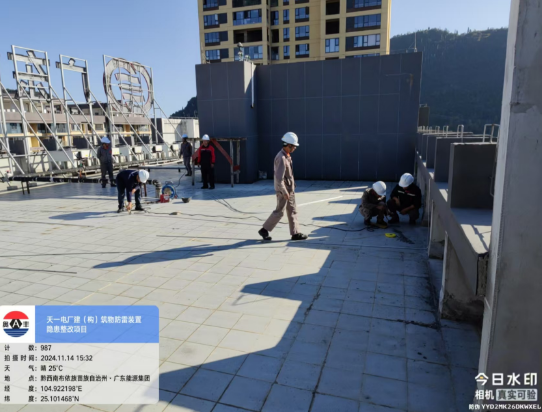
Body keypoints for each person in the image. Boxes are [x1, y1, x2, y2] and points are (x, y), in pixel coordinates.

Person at [258, 132, 308, 241]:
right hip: (283, 190)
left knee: (292, 210)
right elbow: (279, 178)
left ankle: (295, 233)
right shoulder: (281, 158)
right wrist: (284, 192)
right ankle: (264, 230)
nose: (295, 148)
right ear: (288, 145)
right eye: (294, 146)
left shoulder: (287, 156)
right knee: (279, 212)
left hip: (289, 189)